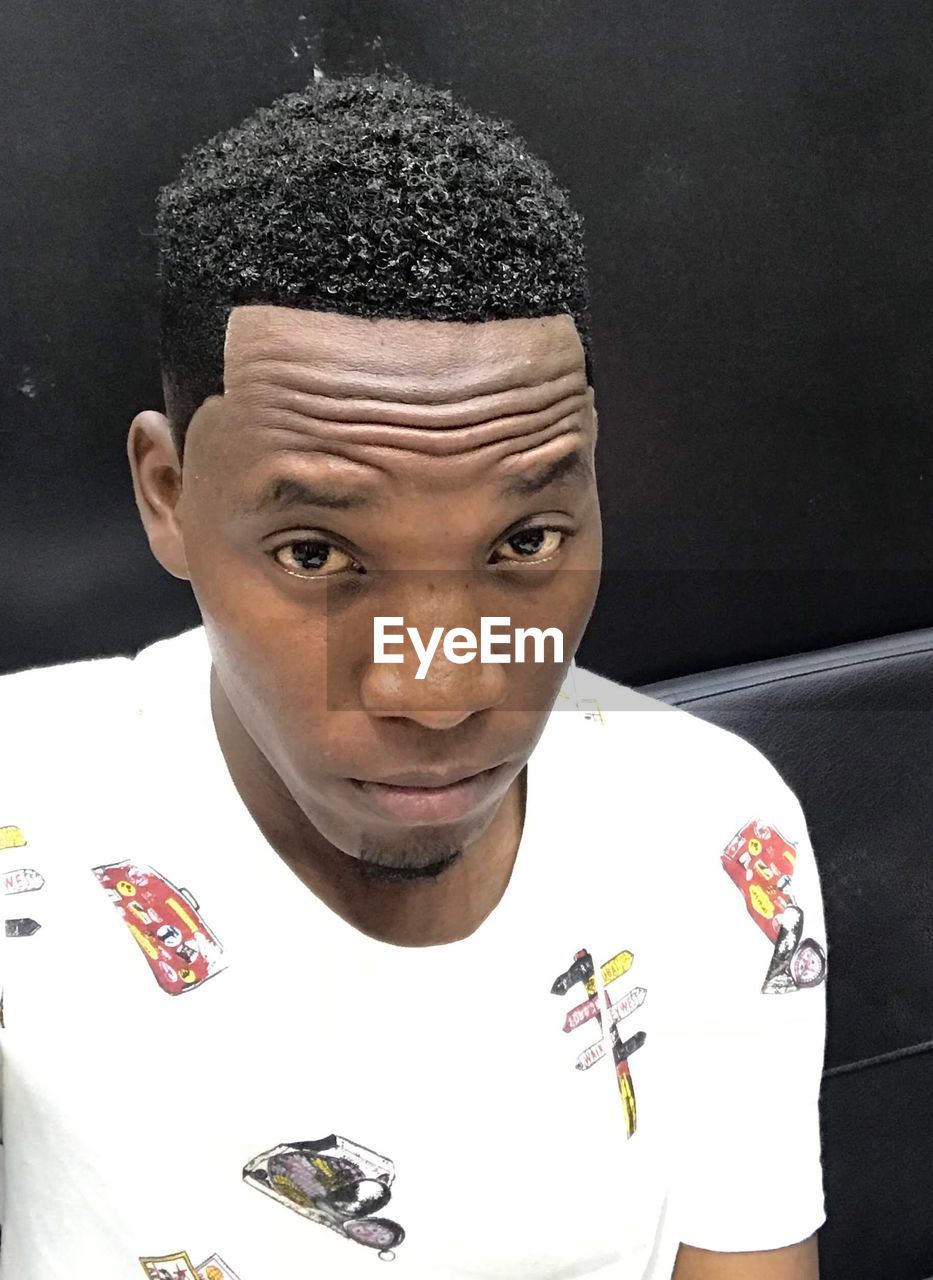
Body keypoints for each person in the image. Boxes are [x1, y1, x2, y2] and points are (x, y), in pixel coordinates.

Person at [0, 73, 828, 1280]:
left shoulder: (711, 829)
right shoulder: (26, 811)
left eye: (525, 542)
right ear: (167, 495)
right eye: (319, 553)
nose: (440, 689)